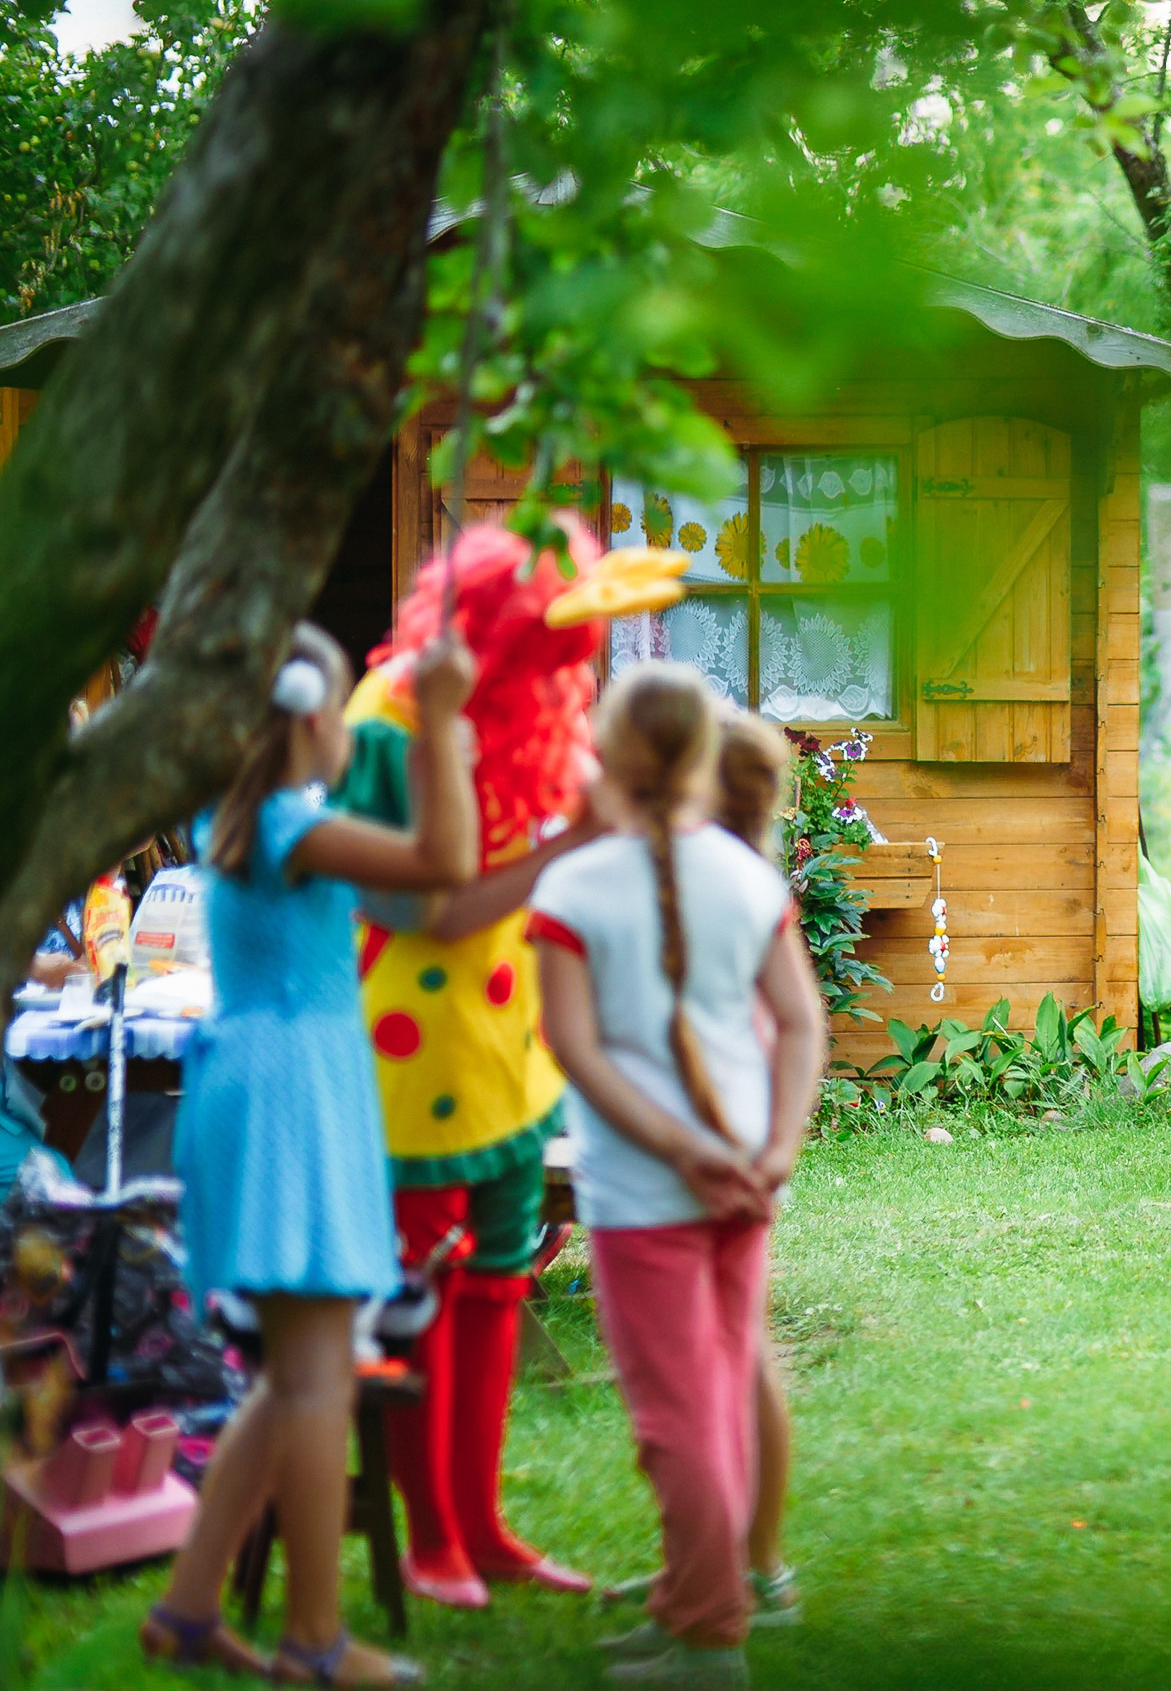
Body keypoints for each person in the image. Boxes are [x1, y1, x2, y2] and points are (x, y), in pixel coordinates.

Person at [142, 622, 479, 1688]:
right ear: (310, 719)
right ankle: (314, 1644)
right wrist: (441, 725)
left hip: (273, 1079)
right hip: (294, 1092)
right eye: (341, 709)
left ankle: (189, 1610)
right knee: (319, 1374)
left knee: (295, 1373)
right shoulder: (294, 825)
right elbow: (441, 858)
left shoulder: (260, 823)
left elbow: (423, 902)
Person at [527, 666, 825, 1689]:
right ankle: (701, 1597)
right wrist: (773, 1148)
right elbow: (800, 1025)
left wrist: (682, 1147)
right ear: (700, 759)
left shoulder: (570, 886)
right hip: (746, 1177)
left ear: (607, 755)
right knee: (721, 1391)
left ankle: (709, 1640)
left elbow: (574, 1048)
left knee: (677, 1418)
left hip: (644, 1193)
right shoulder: (745, 876)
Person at [334, 522, 615, 1609]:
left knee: (496, 1283)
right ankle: (431, 1537)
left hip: (508, 1051)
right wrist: (563, 849)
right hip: (406, 1062)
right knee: (424, 1297)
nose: (566, 671)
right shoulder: (385, 721)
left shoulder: (537, 700)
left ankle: (485, 1524)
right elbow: (421, 906)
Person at [596, 708, 805, 1629]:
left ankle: (736, 1571)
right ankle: (740, 1564)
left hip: (714, 1146)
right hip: (750, 1140)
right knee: (738, 1353)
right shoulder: (741, 875)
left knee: (717, 1369)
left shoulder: (701, 881)